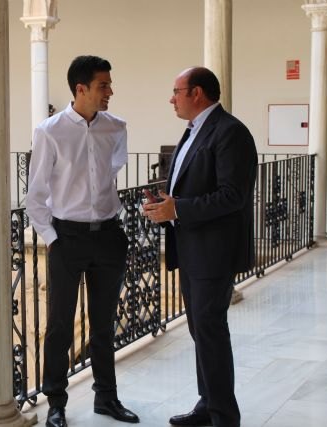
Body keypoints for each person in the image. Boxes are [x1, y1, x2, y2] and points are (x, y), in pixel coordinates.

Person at [26, 55, 139, 427]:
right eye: (103, 85)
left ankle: (106, 397)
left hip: (108, 235)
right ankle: (56, 403)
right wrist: (53, 239)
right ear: (81, 89)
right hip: (67, 238)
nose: (110, 91)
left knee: (105, 322)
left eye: (109, 84)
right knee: (60, 324)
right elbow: (36, 195)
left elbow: (113, 168)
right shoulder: (50, 131)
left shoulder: (116, 127)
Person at [142, 67, 257, 427]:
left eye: (176, 91)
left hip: (213, 251)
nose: (171, 98)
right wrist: (167, 202)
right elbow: (197, 184)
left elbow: (233, 195)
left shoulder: (230, 132)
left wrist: (178, 209)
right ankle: (208, 404)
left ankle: (224, 416)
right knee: (200, 330)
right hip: (191, 247)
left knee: (210, 330)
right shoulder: (194, 130)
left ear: (198, 93)